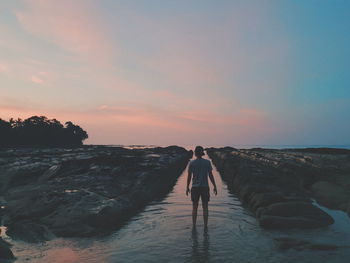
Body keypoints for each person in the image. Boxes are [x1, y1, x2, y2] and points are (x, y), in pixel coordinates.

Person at [186, 146, 217, 229]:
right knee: (205, 207)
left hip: (195, 188)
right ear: (202, 153)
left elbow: (189, 177)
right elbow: (210, 175)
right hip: (205, 187)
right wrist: (214, 186)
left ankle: (194, 226)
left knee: (194, 207)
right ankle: (206, 226)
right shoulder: (207, 162)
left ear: (195, 153)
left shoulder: (192, 163)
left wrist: (187, 187)